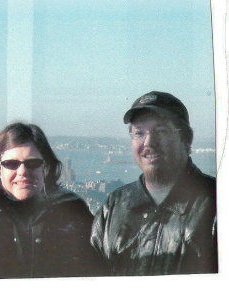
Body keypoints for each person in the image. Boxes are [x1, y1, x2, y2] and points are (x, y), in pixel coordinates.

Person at [91, 91, 218, 275]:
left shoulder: (217, 203)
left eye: (162, 131)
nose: (149, 142)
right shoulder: (113, 207)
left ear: (186, 139)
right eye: (139, 133)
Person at [0, 122, 105, 279]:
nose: (22, 172)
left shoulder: (71, 210)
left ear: (45, 167)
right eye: (11, 164)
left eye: (32, 163)